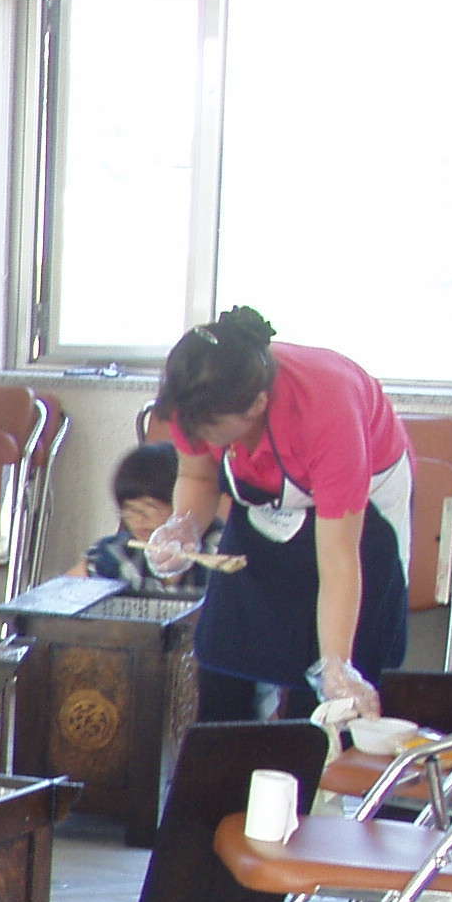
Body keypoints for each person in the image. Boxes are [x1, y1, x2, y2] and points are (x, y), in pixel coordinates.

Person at [148, 306, 409, 720]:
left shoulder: (328, 413)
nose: (195, 434)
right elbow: (198, 476)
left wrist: (337, 664)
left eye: (209, 429)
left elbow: (339, 560)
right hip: (263, 504)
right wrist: (183, 525)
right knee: (223, 659)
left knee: (324, 691)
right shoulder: (193, 396)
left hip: (359, 515)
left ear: (257, 404)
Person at [75, 441, 211, 590]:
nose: (139, 520)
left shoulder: (218, 548)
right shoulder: (112, 553)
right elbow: (63, 595)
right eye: (130, 510)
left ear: (182, 502)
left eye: (150, 508)